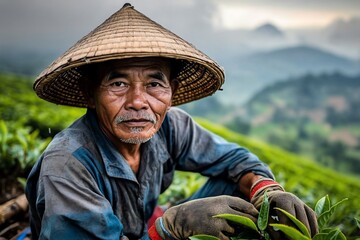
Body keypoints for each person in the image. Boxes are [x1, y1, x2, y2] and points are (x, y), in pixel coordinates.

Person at [25, 3, 318, 240]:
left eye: (154, 84)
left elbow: (235, 159)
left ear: (172, 92)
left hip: (142, 231)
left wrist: (266, 189)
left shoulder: (171, 125)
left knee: (235, 185)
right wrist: (170, 227)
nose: (138, 101)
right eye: (118, 84)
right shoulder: (66, 167)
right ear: (90, 94)